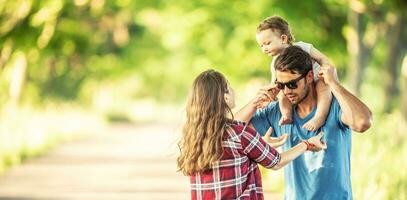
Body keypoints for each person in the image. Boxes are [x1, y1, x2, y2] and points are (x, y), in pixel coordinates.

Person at [236, 46, 372, 200]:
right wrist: (254, 103)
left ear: (309, 77)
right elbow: (230, 135)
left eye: (292, 84)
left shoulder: (335, 107)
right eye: (281, 85)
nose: (286, 91)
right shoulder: (277, 112)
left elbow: (363, 123)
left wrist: (333, 84)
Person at [177, 69, 327, 200]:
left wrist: (260, 143)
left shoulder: (193, 137)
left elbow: (231, 153)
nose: (232, 89)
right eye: (229, 87)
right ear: (225, 97)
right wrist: (307, 144)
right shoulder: (239, 133)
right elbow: (277, 162)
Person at [256, 15, 335, 131]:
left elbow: (322, 59)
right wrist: (271, 93)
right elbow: (276, 84)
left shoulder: (303, 47)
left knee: (323, 86)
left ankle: (320, 117)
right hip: (296, 86)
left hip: (317, 78)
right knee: (282, 94)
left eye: (267, 43)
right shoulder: (275, 63)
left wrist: (326, 71)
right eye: (261, 46)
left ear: (283, 39)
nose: (264, 49)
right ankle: (287, 115)